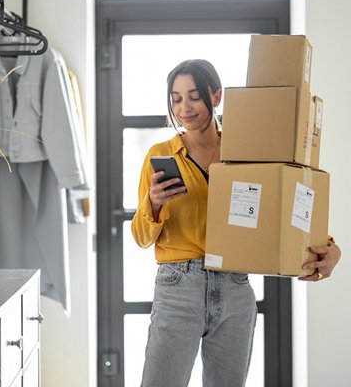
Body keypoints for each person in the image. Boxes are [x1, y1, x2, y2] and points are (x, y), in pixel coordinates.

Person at [131, 59, 341, 387]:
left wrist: (330, 247)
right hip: (178, 287)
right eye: (176, 98)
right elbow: (141, 238)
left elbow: (282, 203)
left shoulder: (245, 151)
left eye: (194, 96)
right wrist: (154, 204)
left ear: (216, 97)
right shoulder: (162, 156)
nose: (184, 107)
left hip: (234, 288)